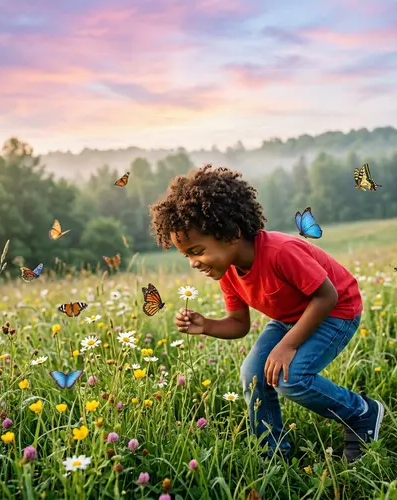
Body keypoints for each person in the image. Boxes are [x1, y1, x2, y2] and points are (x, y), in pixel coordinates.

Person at [149, 164, 384, 462]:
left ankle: (361, 412)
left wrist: (288, 345)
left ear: (231, 233)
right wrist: (206, 325)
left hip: (336, 311)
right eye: (186, 256)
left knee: (291, 378)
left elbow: (327, 296)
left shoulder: (280, 251)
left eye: (197, 251)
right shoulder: (229, 271)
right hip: (290, 318)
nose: (193, 263)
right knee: (253, 375)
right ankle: (272, 452)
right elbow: (238, 324)